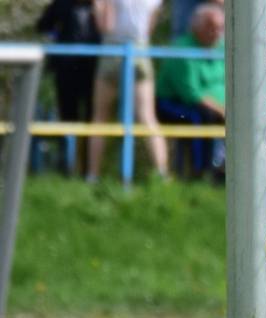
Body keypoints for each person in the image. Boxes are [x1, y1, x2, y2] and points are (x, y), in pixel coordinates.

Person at [86, 0, 168, 183]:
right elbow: (148, 30)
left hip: (112, 50)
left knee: (100, 117)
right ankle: (162, 174)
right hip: (140, 50)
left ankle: (93, 175)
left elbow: (106, 26)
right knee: (147, 117)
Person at [156, 2, 225, 180]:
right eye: (212, 28)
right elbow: (192, 95)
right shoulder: (183, 49)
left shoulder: (222, 47)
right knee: (200, 118)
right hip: (172, 103)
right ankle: (199, 171)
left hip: (213, 106)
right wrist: (224, 111)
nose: (217, 33)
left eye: (220, 28)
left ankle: (223, 170)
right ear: (198, 27)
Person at [36, 0, 101, 175]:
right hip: (67, 70)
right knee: (68, 118)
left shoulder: (99, 6)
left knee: (90, 120)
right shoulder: (62, 4)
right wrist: (58, 34)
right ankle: (67, 166)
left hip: (91, 71)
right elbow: (42, 25)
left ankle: (87, 170)